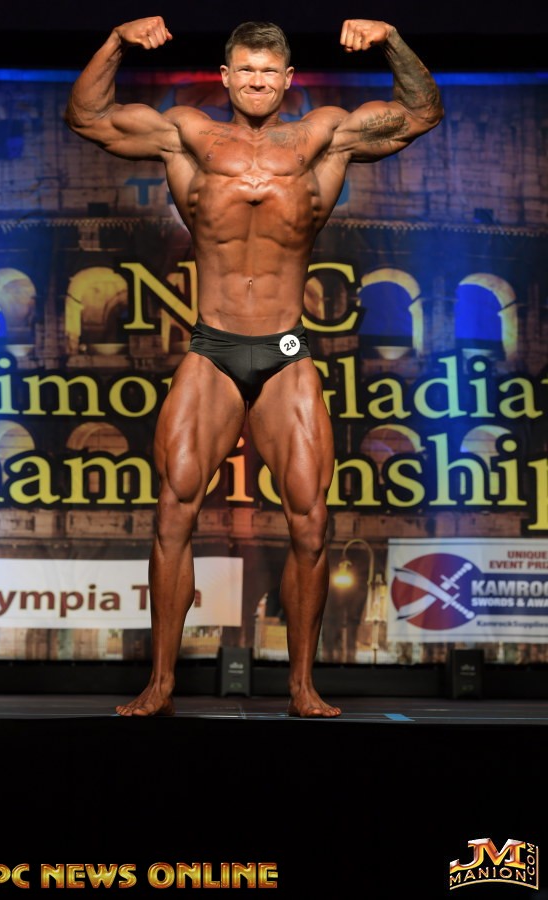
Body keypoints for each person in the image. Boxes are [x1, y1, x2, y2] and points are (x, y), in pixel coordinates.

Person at [64, 15, 444, 718]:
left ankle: (301, 686)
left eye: (269, 72)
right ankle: (161, 683)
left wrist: (392, 39)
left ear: (288, 79)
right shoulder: (188, 135)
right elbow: (87, 117)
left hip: (285, 351)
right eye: (246, 70)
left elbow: (421, 113)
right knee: (172, 512)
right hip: (212, 348)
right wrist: (114, 41)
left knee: (311, 522)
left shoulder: (323, 136)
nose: (258, 82)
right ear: (226, 77)